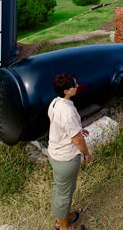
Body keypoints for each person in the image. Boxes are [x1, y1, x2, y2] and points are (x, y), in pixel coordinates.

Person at [47, 73, 90, 230]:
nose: (77, 86)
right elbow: (77, 140)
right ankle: (64, 226)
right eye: (74, 85)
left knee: (62, 189)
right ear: (66, 91)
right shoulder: (68, 112)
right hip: (66, 158)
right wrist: (86, 153)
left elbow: (63, 126)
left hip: (55, 153)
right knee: (64, 194)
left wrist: (78, 129)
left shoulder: (54, 103)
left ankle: (62, 217)